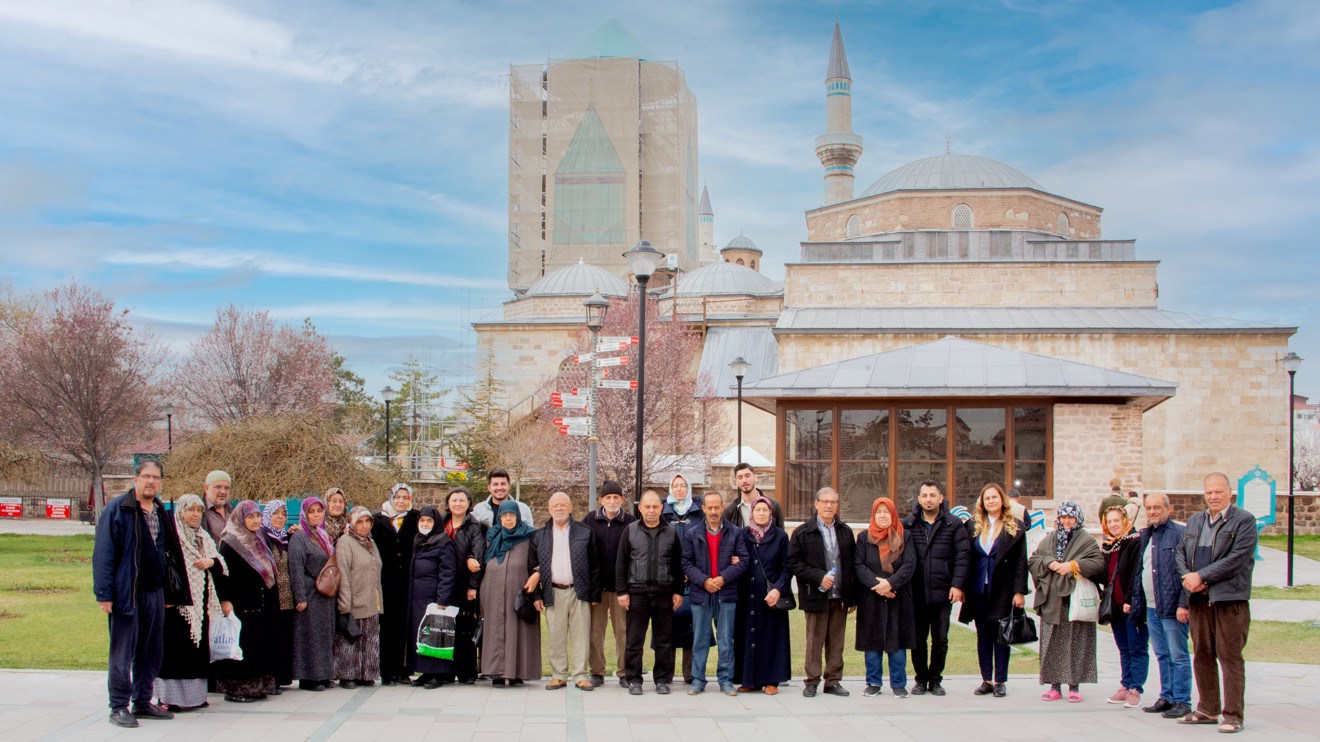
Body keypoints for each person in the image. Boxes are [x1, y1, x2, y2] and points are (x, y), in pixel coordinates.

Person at [93, 459, 190, 727]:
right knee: (123, 652)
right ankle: (119, 706)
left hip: (155, 593)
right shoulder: (119, 509)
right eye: (146, 476)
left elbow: (170, 554)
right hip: (127, 592)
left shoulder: (160, 510)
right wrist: (104, 594)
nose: (151, 482)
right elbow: (104, 554)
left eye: (156, 477)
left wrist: (172, 594)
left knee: (151, 649)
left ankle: (143, 700)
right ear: (135, 478)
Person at [1175, 472, 1257, 733]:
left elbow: (1237, 559)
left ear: (1229, 493)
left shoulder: (1244, 521)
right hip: (1199, 600)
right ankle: (1208, 709)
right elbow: (1180, 554)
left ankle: (1233, 715)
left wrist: (1203, 576)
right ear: (1204, 494)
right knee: (1202, 654)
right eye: (1209, 492)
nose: (1213, 496)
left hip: (1229, 600)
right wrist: (1190, 579)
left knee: (1229, 656)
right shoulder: (1195, 521)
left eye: (1219, 491)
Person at [1028, 501, 1104, 703]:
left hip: (1075, 600)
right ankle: (1054, 685)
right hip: (1053, 600)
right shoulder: (1050, 538)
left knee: (1076, 643)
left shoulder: (1086, 540)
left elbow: (1098, 562)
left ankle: (1074, 686)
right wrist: (1050, 563)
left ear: (1077, 518)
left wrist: (1073, 566)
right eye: (1063, 517)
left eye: (1071, 517)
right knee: (1052, 642)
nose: (1067, 521)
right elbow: (1034, 559)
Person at [958, 483, 1028, 698]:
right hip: (978, 589)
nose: (990, 501)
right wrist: (961, 587)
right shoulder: (973, 525)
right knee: (983, 635)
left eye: (994, 497)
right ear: (982, 502)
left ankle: (1000, 680)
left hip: (1003, 590)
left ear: (1002, 500)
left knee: (1001, 635)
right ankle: (986, 679)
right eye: (987, 498)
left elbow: (1020, 562)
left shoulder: (1014, 527)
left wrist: (1019, 592)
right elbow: (965, 558)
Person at [154, 493, 222, 713]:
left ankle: (194, 697)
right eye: (190, 510)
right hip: (177, 605)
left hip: (199, 605)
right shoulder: (172, 536)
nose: (195, 514)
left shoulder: (203, 537)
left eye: (199, 510)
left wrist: (210, 561)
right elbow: (163, 567)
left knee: (195, 651)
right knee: (174, 651)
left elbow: (221, 565)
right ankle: (170, 698)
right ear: (181, 512)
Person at [902, 480, 970, 696]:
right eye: (924, 495)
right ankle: (921, 679)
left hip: (943, 592)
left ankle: (935, 679)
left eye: (932, 495)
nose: (928, 499)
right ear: (919, 499)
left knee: (940, 639)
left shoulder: (954, 524)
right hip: (916, 592)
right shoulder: (908, 524)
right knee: (918, 639)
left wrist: (957, 584)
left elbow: (963, 556)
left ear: (941, 498)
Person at [788, 486, 856, 697]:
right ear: (816, 504)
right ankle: (812, 681)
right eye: (825, 501)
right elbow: (793, 563)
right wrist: (819, 576)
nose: (829, 505)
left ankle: (833, 681)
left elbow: (852, 566)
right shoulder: (802, 532)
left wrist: (852, 596)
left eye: (833, 502)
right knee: (814, 641)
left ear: (837, 505)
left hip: (840, 597)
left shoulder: (845, 531)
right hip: (815, 594)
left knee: (837, 642)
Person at [616, 490, 685, 695]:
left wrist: (679, 592)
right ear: (640, 508)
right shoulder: (630, 530)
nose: (651, 510)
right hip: (637, 594)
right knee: (634, 640)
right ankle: (634, 680)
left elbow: (678, 565)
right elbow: (621, 563)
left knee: (664, 641)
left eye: (655, 506)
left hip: (664, 594)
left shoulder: (671, 532)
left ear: (662, 508)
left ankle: (662, 680)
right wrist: (622, 592)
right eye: (647, 507)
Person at [529, 492, 600, 691]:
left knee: (581, 635)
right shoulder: (539, 535)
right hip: (553, 591)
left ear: (571, 508)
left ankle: (580, 675)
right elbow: (531, 567)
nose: (559, 508)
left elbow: (595, 566)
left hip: (579, 592)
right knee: (556, 636)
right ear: (550, 509)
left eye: (563, 505)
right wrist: (536, 596)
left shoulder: (585, 532)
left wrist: (594, 595)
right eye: (555, 505)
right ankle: (558, 675)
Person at [681, 491, 749, 696]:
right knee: (700, 639)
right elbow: (686, 562)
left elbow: (744, 561)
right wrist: (704, 581)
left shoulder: (735, 532)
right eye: (709, 507)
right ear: (703, 509)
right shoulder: (692, 533)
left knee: (726, 639)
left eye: (716, 507)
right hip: (701, 594)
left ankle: (726, 680)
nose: (713, 511)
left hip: (726, 593)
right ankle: (698, 680)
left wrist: (723, 578)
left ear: (722, 507)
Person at [214, 500, 279, 703]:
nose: (255, 520)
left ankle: (257, 687)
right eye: (250, 516)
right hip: (241, 604)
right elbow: (221, 573)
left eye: (257, 516)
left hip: (261, 603)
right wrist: (225, 599)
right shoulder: (230, 542)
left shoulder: (259, 539)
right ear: (240, 519)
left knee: (259, 645)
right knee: (243, 647)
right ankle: (237, 689)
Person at [1137, 492, 1192, 719]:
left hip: (1172, 606)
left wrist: (1183, 603)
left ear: (1168, 509)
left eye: (1157, 507)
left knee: (1177, 654)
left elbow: (1188, 571)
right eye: (1148, 508)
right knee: (1161, 653)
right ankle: (1167, 696)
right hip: (1152, 606)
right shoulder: (1147, 535)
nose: (1152, 512)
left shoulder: (1180, 533)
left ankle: (1182, 700)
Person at [854, 497, 915, 698]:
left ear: (893, 514)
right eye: (878, 511)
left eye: (886, 511)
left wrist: (890, 584)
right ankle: (873, 682)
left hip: (898, 594)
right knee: (872, 641)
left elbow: (909, 565)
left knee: (897, 642)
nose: (882, 515)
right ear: (873, 514)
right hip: (871, 597)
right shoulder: (864, 537)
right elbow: (859, 565)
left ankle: (898, 683)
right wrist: (877, 585)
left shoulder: (904, 537)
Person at [734, 496, 792, 695]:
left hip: (771, 596)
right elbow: (737, 560)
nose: (760, 513)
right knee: (748, 635)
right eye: (757, 510)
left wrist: (778, 589)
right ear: (751, 513)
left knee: (771, 637)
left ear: (770, 513)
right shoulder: (742, 535)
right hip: (746, 595)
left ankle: (771, 680)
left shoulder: (781, 537)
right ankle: (749, 679)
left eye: (764, 510)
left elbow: (787, 568)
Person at [481, 500, 541, 686]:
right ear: (499, 518)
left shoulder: (530, 536)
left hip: (519, 592)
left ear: (518, 516)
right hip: (492, 591)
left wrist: (537, 576)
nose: (508, 519)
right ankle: (496, 673)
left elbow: (538, 560)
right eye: (504, 516)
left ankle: (516, 672)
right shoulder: (492, 535)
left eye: (512, 516)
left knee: (518, 630)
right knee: (495, 630)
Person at [584, 480, 636, 687]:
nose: (612, 501)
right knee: (595, 632)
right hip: (597, 588)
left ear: (622, 499)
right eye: (608, 497)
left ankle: (624, 671)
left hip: (621, 588)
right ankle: (597, 671)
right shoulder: (589, 519)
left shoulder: (631, 522)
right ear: (601, 500)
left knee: (623, 631)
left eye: (616, 497)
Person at [1099, 501, 1148, 709]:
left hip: (1131, 605)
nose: (1113, 525)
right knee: (1123, 647)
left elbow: (1137, 573)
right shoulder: (1111, 545)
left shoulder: (1134, 541)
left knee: (1137, 646)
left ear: (1126, 520)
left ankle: (1135, 688)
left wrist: (1130, 599)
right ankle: (1125, 684)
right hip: (1115, 605)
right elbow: (1106, 575)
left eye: (1117, 520)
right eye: (1109, 521)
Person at [372, 483, 420, 686]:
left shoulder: (414, 518)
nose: (401, 501)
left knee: (405, 626)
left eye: (405, 497)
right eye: (398, 497)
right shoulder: (378, 520)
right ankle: (387, 671)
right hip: (385, 582)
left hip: (408, 582)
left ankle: (403, 670)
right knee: (388, 627)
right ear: (391, 497)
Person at [406, 506, 460, 689]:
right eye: (422, 521)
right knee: (422, 635)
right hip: (417, 598)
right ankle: (424, 672)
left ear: (435, 522)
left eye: (429, 521)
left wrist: (442, 600)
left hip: (434, 598)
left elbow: (448, 573)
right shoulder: (419, 539)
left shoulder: (444, 542)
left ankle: (437, 674)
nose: (425, 524)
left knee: (436, 634)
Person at [288, 496, 337, 691]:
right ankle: (309, 678)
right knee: (309, 637)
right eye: (312, 511)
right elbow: (296, 567)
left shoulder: (324, 535)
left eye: (319, 511)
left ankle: (324, 675)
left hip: (325, 594)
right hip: (309, 593)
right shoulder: (300, 537)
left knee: (324, 636)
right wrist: (300, 596)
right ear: (305, 514)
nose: (316, 515)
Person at [335, 506, 383, 689]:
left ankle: (367, 673)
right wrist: (345, 604)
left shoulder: (370, 542)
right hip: (353, 600)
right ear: (352, 523)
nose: (364, 526)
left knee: (369, 640)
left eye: (367, 521)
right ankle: (348, 675)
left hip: (371, 599)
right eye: (359, 522)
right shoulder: (345, 542)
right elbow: (344, 574)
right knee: (350, 641)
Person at [442, 487, 486, 684]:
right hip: (444, 585)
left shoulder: (474, 527)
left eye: (462, 500)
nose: (458, 503)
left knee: (464, 629)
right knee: (443, 628)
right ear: (448, 503)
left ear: (469, 504)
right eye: (454, 500)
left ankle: (466, 672)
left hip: (464, 585)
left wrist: (473, 586)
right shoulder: (441, 524)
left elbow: (478, 557)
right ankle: (445, 671)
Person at [660, 473, 700, 684]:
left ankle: (690, 673)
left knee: (691, 627)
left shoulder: (697, 512)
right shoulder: (664, 513)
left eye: (682, 485)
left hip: (694, 578)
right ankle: (666, 674)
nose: (679, 489)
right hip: (669, 578)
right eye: (675, 486)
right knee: (668, 627)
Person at [260, 500, 296, 692]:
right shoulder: (263, 538)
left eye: (283, 514)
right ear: (267, 516)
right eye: (276, 513)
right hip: (272, 597)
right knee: (271, 638)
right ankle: (270, 678)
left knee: (284, 637)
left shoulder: (286, 539)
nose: (280, 517)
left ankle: (282, 677)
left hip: (287, 597)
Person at [723, 463, 784, 528]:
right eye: (740, 477)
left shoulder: (774, 506)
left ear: (756, 478)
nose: (744, 480)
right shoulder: (730, 511)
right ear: (736, 482)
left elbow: (781, 535)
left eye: (747, 476)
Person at [200, 470, 233, 544]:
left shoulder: (233, 512)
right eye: (218, 487)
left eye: (226, 488)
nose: (223, 492)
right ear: (206, 488)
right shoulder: (198, 512)